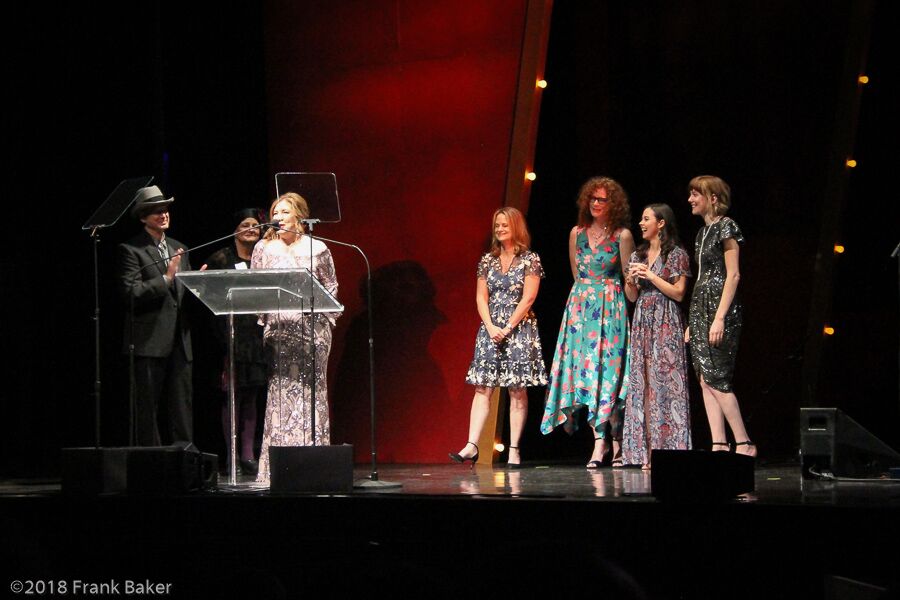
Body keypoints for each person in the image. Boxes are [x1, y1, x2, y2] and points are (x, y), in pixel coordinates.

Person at [541, 177, 634, 467]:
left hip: (611, 310)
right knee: (587, 375)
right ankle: (599, 442)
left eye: (602, 199)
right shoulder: (576, 233)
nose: (595, 203)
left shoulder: (622, 236)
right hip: (581, 312)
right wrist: (585, 300)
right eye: (592, 198)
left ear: (613, 204)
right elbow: (576, 274)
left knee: (609, 374)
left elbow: (629, 281)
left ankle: (615, 440)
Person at [251, 192, 341, 483]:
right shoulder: (264, 248)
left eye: (284, 212)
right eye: (275, 213)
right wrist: (265, 318)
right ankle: (277, 469)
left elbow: (331, 286)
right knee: (280, 395)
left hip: (313, 333)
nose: (278, 217)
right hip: (279, 333)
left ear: (300, 216)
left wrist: (324, 317)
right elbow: (254, 286)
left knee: (311, 394)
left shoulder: (318, 248)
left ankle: (315, 467)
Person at [450, 207, 547, 468]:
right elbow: (481, 297)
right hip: (490, 329)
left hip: (519, 329)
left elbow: (529, 297)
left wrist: (508, 326)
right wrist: (491, 326)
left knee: (517, 390)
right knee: (482, 387)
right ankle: (472, 445)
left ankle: (514, 449)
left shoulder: (530, 259)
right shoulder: (487, 260)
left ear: (516, 227)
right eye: (497, 225)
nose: (500, 229)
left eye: (505, 225)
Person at [117, 185, 194, 446]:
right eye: (156, 211)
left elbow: (182, 296)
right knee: (147, 406)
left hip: (180, 340)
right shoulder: (132, 250)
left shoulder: (179, 247)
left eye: (165, 209)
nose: (163, 215)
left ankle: (185, 454)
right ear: (143, 217)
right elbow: (131, 292)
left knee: (182, 404)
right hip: (149, 340)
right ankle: (151, 458)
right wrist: (166, 278)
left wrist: (199, 284)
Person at [685, 175, 756, 456]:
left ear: (712, 198)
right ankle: (719, 444)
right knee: (705, 378)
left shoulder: (726, 226)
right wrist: (693, 322)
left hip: (720, 308)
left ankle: (745, 443)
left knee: (717, 377)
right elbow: (701, 277)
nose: (690, 199)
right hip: (700, 309)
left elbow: (733, 275)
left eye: (696, 194)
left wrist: (719, 317)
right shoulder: (701, 233)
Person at [622, 204, 692, 470]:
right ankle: (647, 452)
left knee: (666, 385)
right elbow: (632, 297)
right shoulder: (637, 255)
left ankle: (670, 451)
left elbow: (679, 293)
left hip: (666, 321)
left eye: (646, 219)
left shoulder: (676, 254)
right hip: (643, 321)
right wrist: (631, 281)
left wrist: (651, 275)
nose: (641, 223)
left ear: (661, 223)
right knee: (644, 385)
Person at [204, 208, 267, 475]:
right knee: (233, 396)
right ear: (235, 230)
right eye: (245, 224)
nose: (251, 229)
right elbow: (209, 299)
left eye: (255, 225)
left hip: (256, 336)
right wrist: (222, 341)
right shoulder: (221, 258)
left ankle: (248, 455)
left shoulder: (264, 258)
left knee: (252, 395)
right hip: (229, 336)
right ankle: (231, 456)